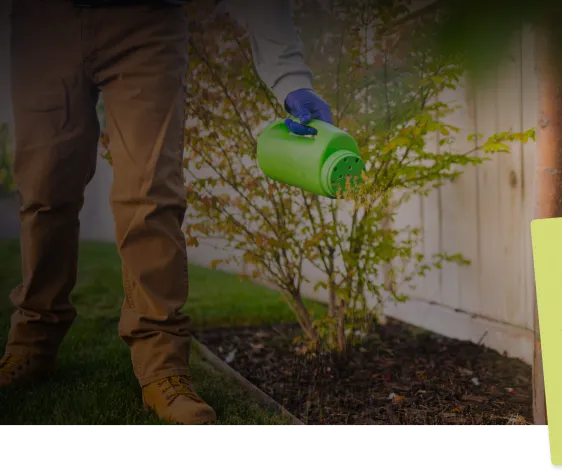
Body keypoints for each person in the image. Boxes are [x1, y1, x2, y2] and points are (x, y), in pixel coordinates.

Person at [0, 0, 332, 425]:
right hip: (44, 22)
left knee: (151, 193)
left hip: (147, 24)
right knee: (44, 190)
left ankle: (163, 366)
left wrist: (289, 77)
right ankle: (31, 343)